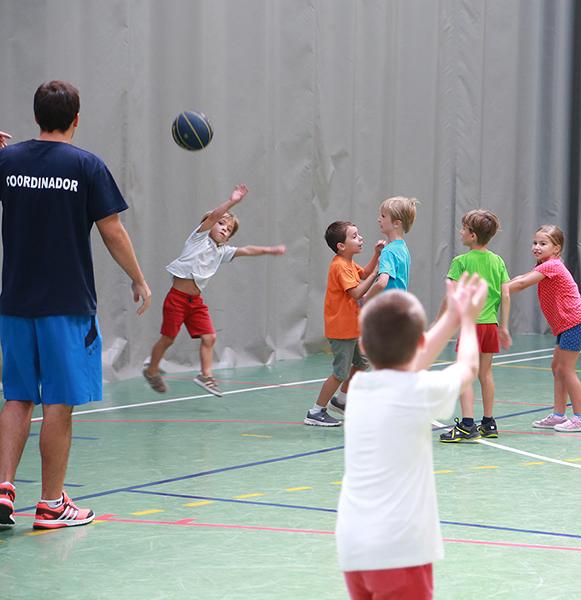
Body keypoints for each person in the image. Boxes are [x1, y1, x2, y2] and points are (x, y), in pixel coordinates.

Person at [0, 81, 151, 530]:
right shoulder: (87, 165)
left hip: (15, 302)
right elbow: (112, 231)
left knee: (18, 397)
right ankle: (50, 505)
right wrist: (139, 279)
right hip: (65, 305)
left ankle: (3, 487)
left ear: (35, 115)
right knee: (59, 404)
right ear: (77, 119)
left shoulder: (7, 161)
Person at [336, 273, 486, 600]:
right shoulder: (418, 391)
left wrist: (450, 317)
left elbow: (411, 362)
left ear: (363, 345)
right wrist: (468, 321)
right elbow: (468, 369)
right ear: (419, 342)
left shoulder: (360, 387)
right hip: (399, 551)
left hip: (353, 546)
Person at [142, 185, 285, 397]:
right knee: (168, 339)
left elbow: (246, 250)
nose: (224, 229)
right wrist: (232, 201)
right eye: (221, 224)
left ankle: (205, 375)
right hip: (177, 299)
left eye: (228, 230)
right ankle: (152, 370)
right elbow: (216, 214)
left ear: (228, 238)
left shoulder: (221, 251)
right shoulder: (198, 238)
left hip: (195, 302)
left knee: (209, 337)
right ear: (208, 224)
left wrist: (270, 250)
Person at [504, 225, 581, 432]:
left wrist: (492, 289)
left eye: (543, 244)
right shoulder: (545, 264)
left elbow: (522, 284)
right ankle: (559, 415)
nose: (536, 247)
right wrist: (504, 283)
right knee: (557, 368)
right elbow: (519, 279)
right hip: (565, 324)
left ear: (556, 248)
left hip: (574, 323)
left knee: (566, 369)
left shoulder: (552, 266)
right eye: (535, 243)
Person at [437, 210, 511, 442]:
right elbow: (506, 295)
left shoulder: (461, 262)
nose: (460, 232)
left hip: (471, 327)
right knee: (486, 373)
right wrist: (504, 326)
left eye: (463, 228)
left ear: (472, 235)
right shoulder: (497, 260)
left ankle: (468, 425)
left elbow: (451, 295)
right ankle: (488, 422)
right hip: (490, 324)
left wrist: (439, 320)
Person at [306, 221, 384, 427]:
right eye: (355, 236)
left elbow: (364, 275)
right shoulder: (339, 266)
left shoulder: (348, 263)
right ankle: (315, 411)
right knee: (340, 373)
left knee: (362, 362)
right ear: (341, 245)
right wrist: (378, 273)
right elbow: (357, 292)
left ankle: (341, 400)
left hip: (353, 327)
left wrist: (376, 256)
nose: (361, 239)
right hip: (341, 330)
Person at [363, 196, 418, 301]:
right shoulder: (403, 248)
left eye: (383, 216)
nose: (379, 219)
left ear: (396, 223)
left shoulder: (388, 251)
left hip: (388, 309)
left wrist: (366, 299)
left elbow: (382, 283)